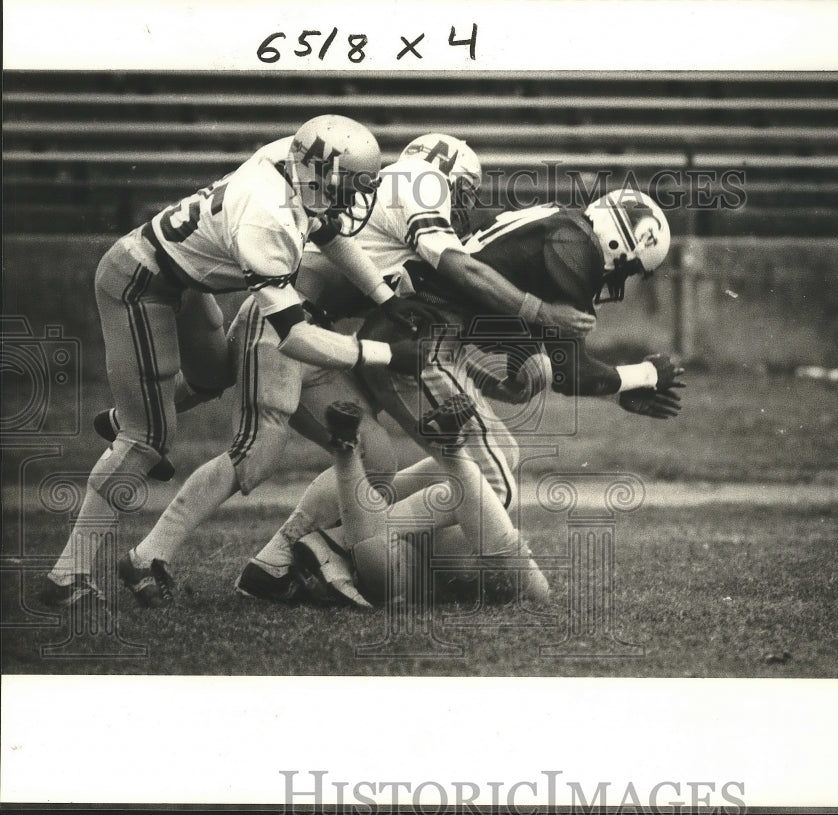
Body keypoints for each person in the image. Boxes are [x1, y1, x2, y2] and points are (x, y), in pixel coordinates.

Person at [39, 114, 439, 609]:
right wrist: (386, 353)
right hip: (139, 283)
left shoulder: (293, 166)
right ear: (316, 171)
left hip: (183, 280)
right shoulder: (266, 216)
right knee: (148, 441)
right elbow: (293, 337)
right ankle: (67, 574)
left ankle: (128, 418)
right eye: (347, 186)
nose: (352, 200)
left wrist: (383, 298)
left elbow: (328, 231)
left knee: (210, 377)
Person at [235, 133, 597, 601]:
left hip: (309, 335)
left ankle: (275, 561)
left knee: (374, 456)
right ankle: (325, 547)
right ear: (451, 176)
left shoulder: (386, 198)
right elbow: (460, 273)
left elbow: (425, 315)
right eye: (465, 192)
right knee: (250, 460)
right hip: (293, 332)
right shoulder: (422, 186)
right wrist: (542, 313)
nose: (464, 207)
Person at [282, 188, 686, 605]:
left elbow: (543, 351)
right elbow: (571, 372)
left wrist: (618, 394)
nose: (620, 281)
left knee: (496, 461)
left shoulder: (561, 226)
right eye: (629, 270)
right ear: (620, 245)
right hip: (422, 347)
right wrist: (648, 373)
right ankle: (339, 543)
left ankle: (325, 541)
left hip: (420, 339)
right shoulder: (574, 249)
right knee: (497, 488)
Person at [298, 395, 549, 609]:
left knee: (385, 567)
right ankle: (449, 451)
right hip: (425, 537)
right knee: (530, 590)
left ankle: (350, 452)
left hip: (398, 531)